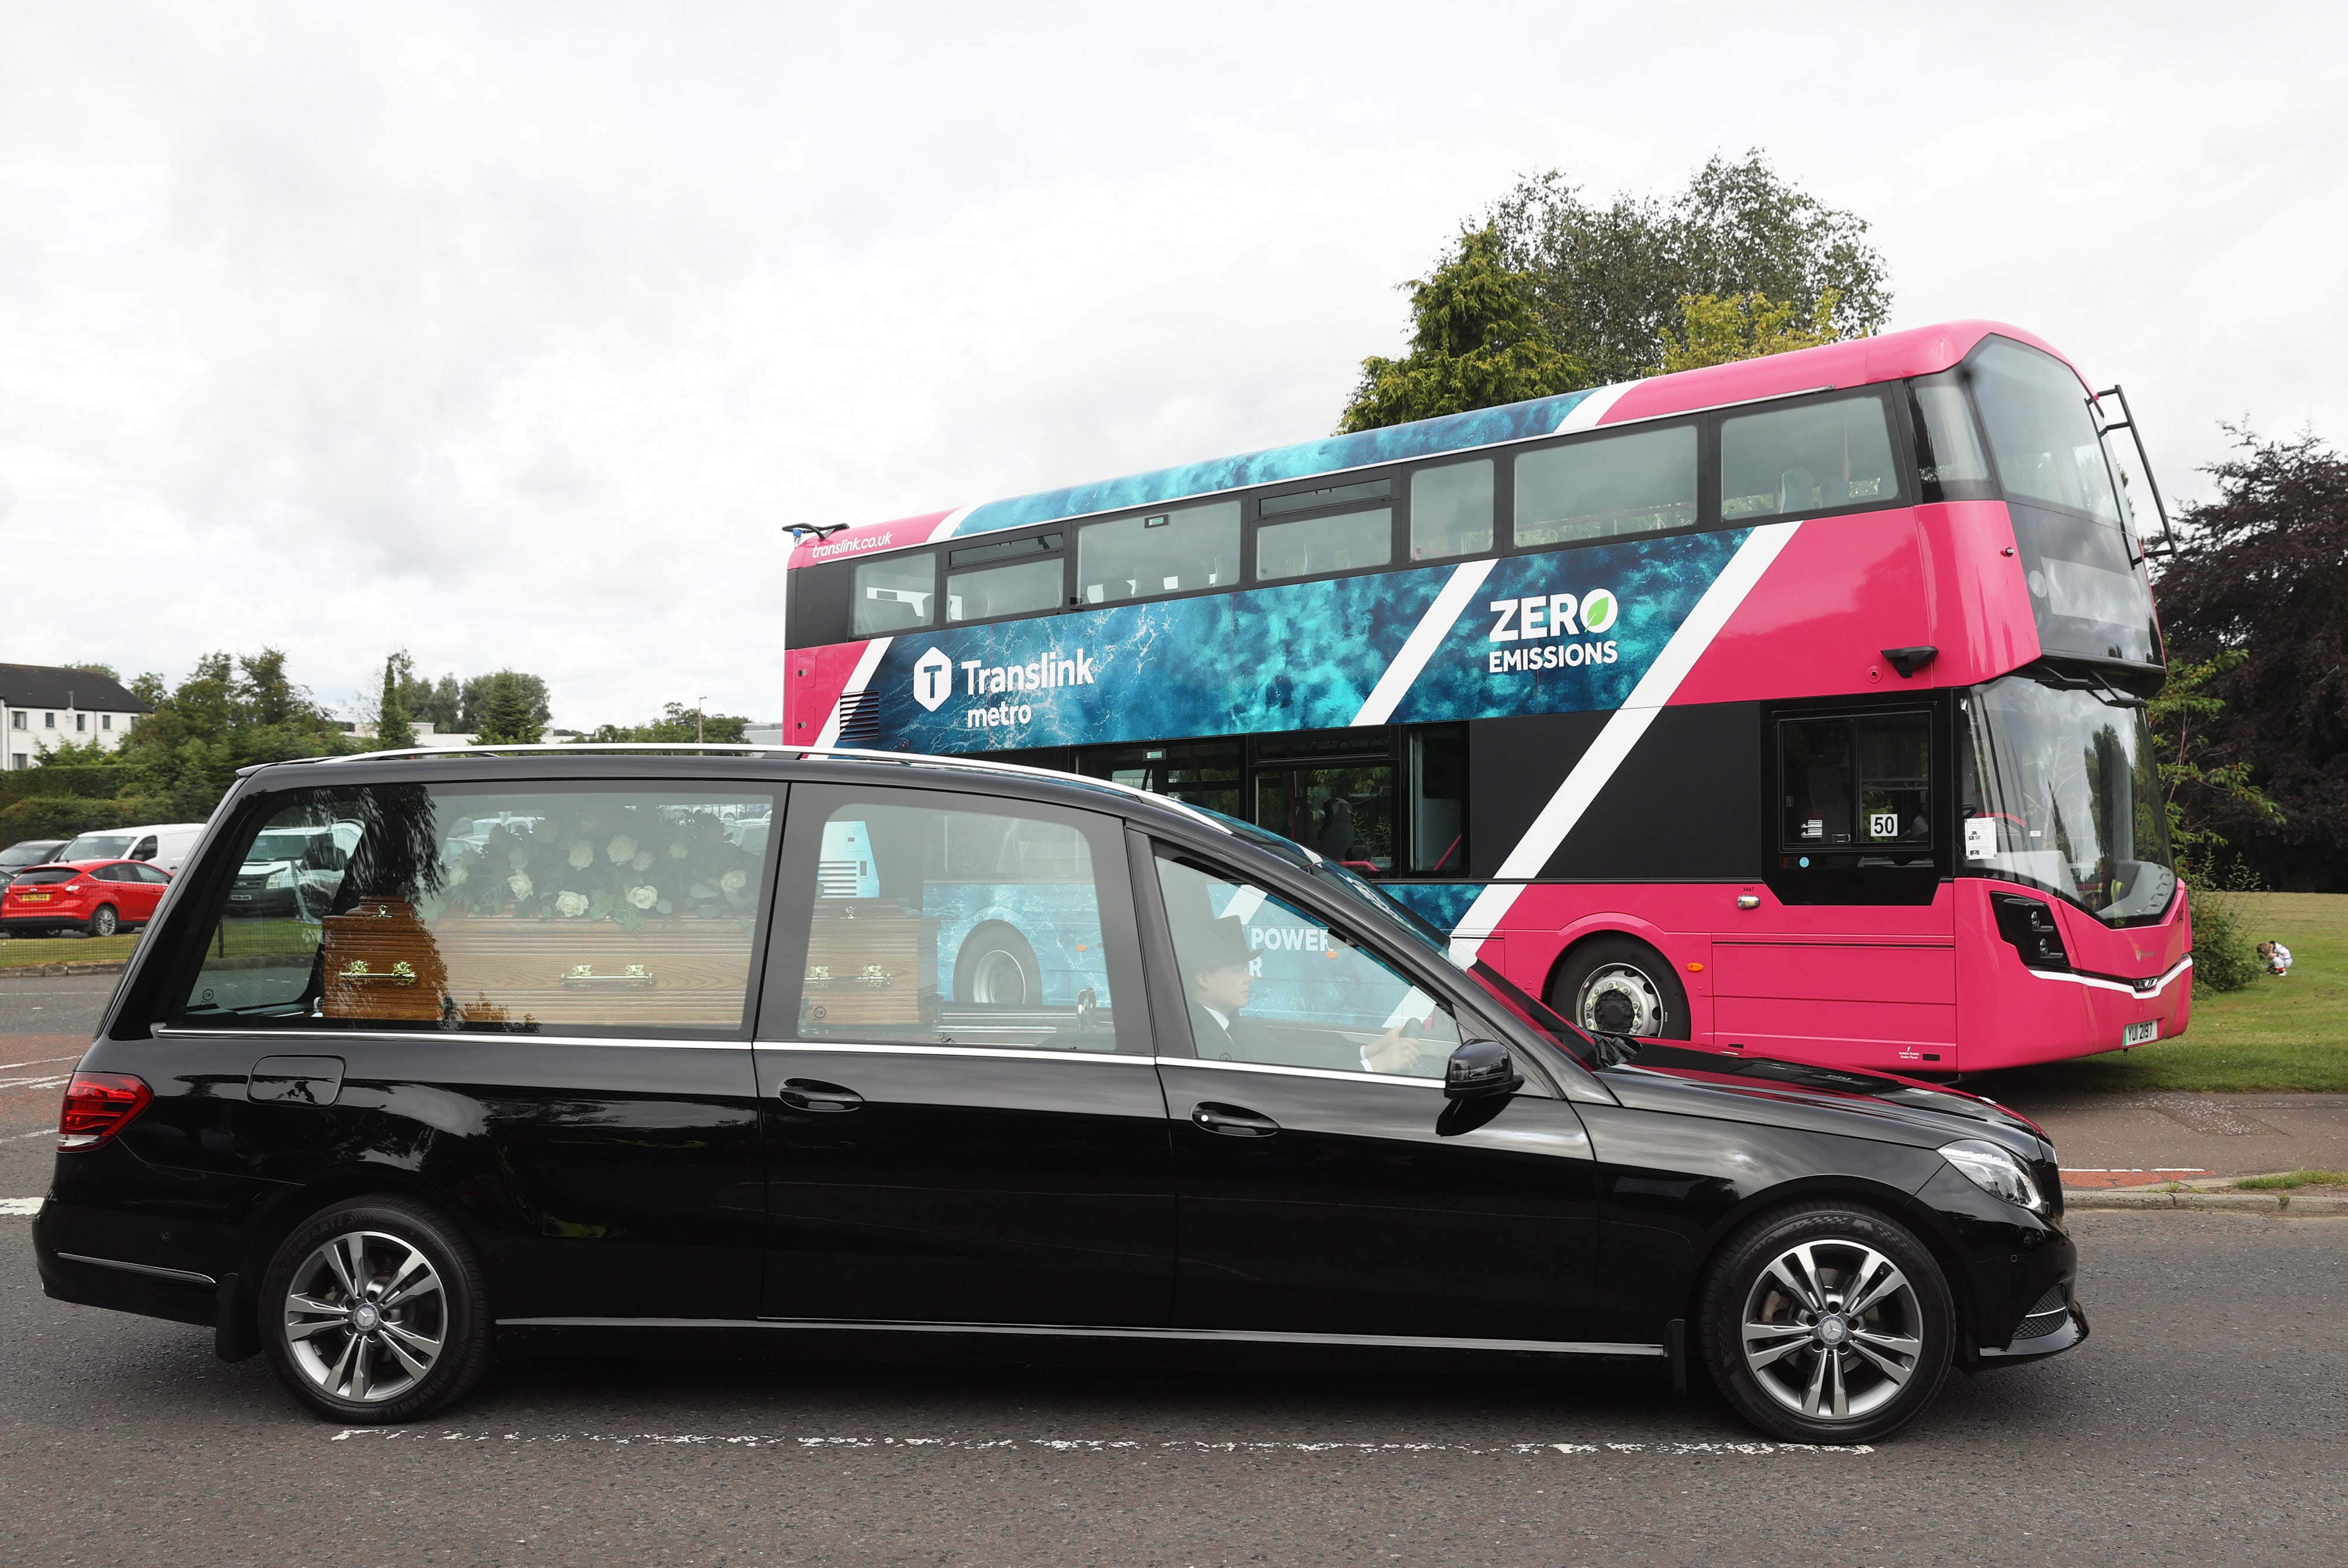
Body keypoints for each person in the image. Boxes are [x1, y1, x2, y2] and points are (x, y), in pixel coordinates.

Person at [1181, 911, 1431, 1074]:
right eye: (1238, 970)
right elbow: (1273, 1092)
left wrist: (1370, 1050)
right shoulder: (1199, 1039)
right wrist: (1376, 1066)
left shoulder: (1227, 1026)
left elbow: (1289, 1057)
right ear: (1203, 978)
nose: (1250, 976)